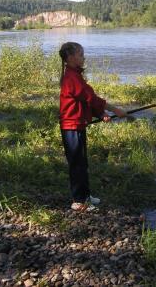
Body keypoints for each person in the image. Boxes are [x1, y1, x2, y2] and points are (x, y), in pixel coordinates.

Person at [58, 42, 127, 212]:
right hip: (71, 127)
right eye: (81, 55)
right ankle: (78, 201)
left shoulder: (75, 75)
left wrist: (99, 114)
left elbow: (84, 101)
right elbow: (91, 98)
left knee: (82, 162)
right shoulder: (71, 78)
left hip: (77, 125)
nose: (84, 57)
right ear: (71, 57)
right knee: (77, 164)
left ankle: (86, 196)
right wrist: (114, 110)